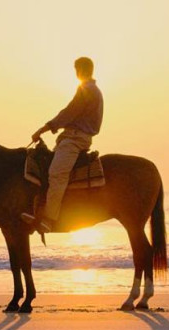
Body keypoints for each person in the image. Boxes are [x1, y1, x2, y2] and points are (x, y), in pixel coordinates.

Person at [22, 57, 104, 233]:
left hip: (75, 139)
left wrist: (44, 128)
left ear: (81, 70)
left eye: (77, 70)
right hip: (71, 137)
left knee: (56, 174)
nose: (76, 73)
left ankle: (49, 220)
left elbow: (69, 113)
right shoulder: (92, 89)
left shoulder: (87, 89)